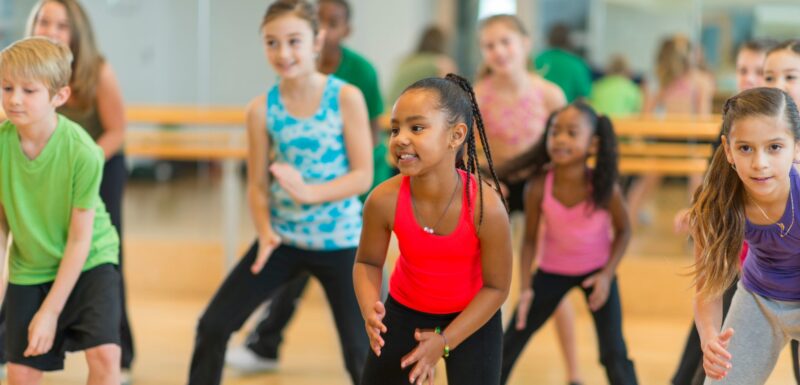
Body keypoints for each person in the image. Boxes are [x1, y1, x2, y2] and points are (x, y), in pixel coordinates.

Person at [187, 1, 372, 384]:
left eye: (293, 41)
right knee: (213, 325)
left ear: (316, 40)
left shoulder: (346, 96)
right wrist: (265, 231)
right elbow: (257, 184)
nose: (283, 53)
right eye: (272, 43)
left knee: (362, 351)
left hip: (341, 244)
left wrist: (310, 193)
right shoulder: (261, 110)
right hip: (283, 240)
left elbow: (362, 176)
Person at [0, 1, 134, 378]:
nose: (14, 99)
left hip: (89, 259)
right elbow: (1, 231)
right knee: (21, 372)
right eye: (7, 87)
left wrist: (50, 311)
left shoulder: (84, 153)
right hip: (31, 265)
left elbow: (79, 242)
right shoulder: (1, 144)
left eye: (28, 90)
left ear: (59, 97)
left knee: (106, 356)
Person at [355, 73, 512, 385]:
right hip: (404, 312)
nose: (400, 138)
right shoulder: (383, 200)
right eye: (395, 128)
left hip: (472, 318)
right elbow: (367, 263)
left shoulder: (487, 207)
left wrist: (444, 342)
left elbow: (496, 288)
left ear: (456, 136)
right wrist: (369, 308)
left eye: (416, 128)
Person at [670, 39, 798, 385]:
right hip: (757, 299)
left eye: (775, 147)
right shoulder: (718, 204)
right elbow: (709, 288)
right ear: (727, 150)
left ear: (795, 147)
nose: (760, 163)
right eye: (745, 148)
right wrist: (710, 336)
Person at [475, 13, 582, 385]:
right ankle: (488, 369)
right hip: (496, 188)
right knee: (491, 280)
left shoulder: (548, 93)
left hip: (538, 189)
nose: (499, 51)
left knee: (550, 281)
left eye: (506, 42)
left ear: (524, 44)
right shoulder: (479, 95)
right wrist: (487, 181)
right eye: (490, 45)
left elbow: (566, 146)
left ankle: (574, 372)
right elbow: (469, 148)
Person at [498, 101, 638, 385]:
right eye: (555, 132)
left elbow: (624, 231)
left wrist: (607, 275)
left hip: (596, 274)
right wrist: (525, 289)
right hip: (551, 273)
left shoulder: (604, 187)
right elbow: (527, 242)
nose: (560, 139)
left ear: (593, 144)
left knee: (613, 353)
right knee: (510, 342)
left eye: (571, 133)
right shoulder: (538, 186)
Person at [627, 34, 715, 226]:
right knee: (694, 179)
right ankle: (695, 227)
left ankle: (628, 222)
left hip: (673, 136)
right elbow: (703, 117)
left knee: (692, 179)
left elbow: (646, 115)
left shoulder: (671, 80)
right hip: (683, 137)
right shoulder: (695, 80)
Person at [385, 25, 457, 107]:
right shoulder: (442, 62)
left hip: (388, 111)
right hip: (403, 111)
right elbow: (449, 97)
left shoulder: (406, 60)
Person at [533, 22, 593, 103]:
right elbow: (584, 97)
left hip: (540, 110)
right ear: (569, 40)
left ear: (549, 38)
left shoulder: (538, 60)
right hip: (567, 113)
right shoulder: (576, 64)